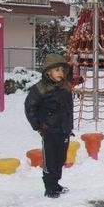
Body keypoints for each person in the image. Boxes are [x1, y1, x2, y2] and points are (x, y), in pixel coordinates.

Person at [24, 54, 74, 198]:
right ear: (48, 72)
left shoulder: (65, 87)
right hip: (49, 131)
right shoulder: (39, 89)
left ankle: (56, 183)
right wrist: (39, 126)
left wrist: (69, 127)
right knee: (50, 160)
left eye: (62, 70)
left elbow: (69, 109)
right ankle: (49, 187)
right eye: (57, 70)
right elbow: (29, 108)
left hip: (63, 130)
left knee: (60, 159)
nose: (61, 73)